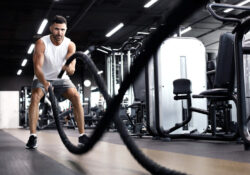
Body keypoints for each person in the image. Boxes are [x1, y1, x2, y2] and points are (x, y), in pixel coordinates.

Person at [26, 15, 89, 149]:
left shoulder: (70, 44)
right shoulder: (41, 43)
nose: (59, 33)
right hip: (42, 77)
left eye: (62, 30)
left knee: (76, 97)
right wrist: (45, 83)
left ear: (65, 30)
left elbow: (71, 68)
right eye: (56, 29)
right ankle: (32, 136)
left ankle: (82, 135)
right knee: (35, 97)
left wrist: (70, 68)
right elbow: (37, 68)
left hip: (62, 79)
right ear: (51, 29)